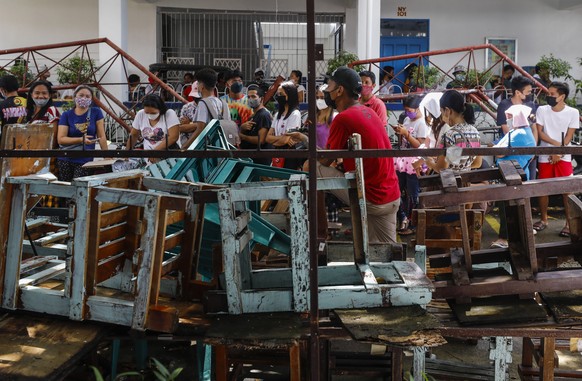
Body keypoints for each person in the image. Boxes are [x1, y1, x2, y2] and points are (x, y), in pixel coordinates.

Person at [316, 66, 400, 243]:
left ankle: (319, 233)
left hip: (372, 197)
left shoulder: (343, 118)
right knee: (385, 254)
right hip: (390, 195)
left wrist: (308, 146)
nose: (327, 92)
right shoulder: (368, 111)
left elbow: (324, 160)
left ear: (339, 90)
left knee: (312, 168)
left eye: (329, 86)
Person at [533, 81, 580, 237]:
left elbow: (569, 136)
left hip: (563, 155)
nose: (549, 96)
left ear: (562, 96)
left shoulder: (573, 112)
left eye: (552, 94)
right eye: (548, 93)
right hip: (547, 153)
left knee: (567, 191)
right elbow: (540, 133)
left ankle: (569, 223)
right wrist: (556, 148)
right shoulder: (542, 110)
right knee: (543, 189)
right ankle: (544, 219)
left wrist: (559, 152)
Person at [490, 104, 537, 248]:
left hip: (512, 175)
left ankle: (504, 238)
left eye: (510, 117)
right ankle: (521, 235)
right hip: (514, 173)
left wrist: (494, 148)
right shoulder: (521, 131)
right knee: (516, 207)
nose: (507, 120)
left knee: (507, 209)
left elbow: (499, 152)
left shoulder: (518, 134)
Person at [417, 90, 482, 173]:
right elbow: (478, 163)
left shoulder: (449, 135)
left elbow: (441, 168)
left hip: (450, 183)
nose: (442, 117)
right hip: (466, 182)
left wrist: (430, 163)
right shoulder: (475, 132)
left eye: (441, 112)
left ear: (448, 111)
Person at [392, 95, 429, 235]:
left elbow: (419, 145)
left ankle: (413, 224)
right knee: (398, 189)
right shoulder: (407, 119)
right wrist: (400, 132)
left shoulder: (421, 123)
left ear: (417, 108)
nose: (407, 113)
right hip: (402, 161)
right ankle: (403, 218)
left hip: (414, 162)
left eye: (409, 110)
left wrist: (406, 134)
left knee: (414, 193)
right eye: (406, 110)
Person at [57, 85, 108, 181]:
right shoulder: (66, 115)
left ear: (91, 99)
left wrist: (107, 156)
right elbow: (61, 139)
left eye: (87, 96)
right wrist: (81, 140)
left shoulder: (96, 112)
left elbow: (101, 136)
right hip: (65, 158)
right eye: (81, 95)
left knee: (80, 188)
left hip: (85, 159)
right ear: (75, 97)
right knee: (65, 189)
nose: (84, 98)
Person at [182, 68, 232, 149]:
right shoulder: (223, 103)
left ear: (202, 86)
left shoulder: (203, 103)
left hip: (207, 148)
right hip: (221, 147)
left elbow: (200, 129)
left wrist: (186, 146)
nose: (197, 86)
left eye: (198, 83)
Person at [126, 94, 180, 164]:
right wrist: (126, 153)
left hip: (169, 158)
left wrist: (155, 151)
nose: (149, 115)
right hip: (150, 159)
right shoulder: (141, 114)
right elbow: (134, 135)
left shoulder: (169, 114)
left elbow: (173, 137)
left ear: (160, 109)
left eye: (153, 113)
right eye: (147, 112)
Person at [266, 81, 305, 169]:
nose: (278, 97)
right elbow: (268, 138)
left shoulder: (295, 114)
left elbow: (286, 140)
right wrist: (282, 138)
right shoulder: (277, 115)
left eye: (281, 94)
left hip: (289, 157)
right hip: (277, 154)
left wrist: (277, 140)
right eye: (278, 94)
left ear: (289, 95)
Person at [239, 84, 271, 165]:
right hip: (252, 159)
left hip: (261, 161)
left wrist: (243, 137)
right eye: (248, 97)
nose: (250, 99)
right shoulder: (253, 115)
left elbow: (261, 140)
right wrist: (242, 128)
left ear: (261, 99)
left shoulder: (263, 115)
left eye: (253, 96)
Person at [178, 81, 201, 147]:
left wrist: (190, 123)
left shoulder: (210, 106)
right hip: (186, 142)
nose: (196, 98)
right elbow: (181, 127)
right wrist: (198, 125)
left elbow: (207, 126)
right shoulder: (187, 107)